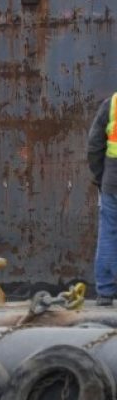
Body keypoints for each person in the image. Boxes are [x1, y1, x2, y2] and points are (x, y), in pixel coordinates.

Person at [88, 94, 117, 305]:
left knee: (108, 234)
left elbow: (95, 146)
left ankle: (105, 292)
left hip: (113, 180)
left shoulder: (112, 103)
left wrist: (102, 178)